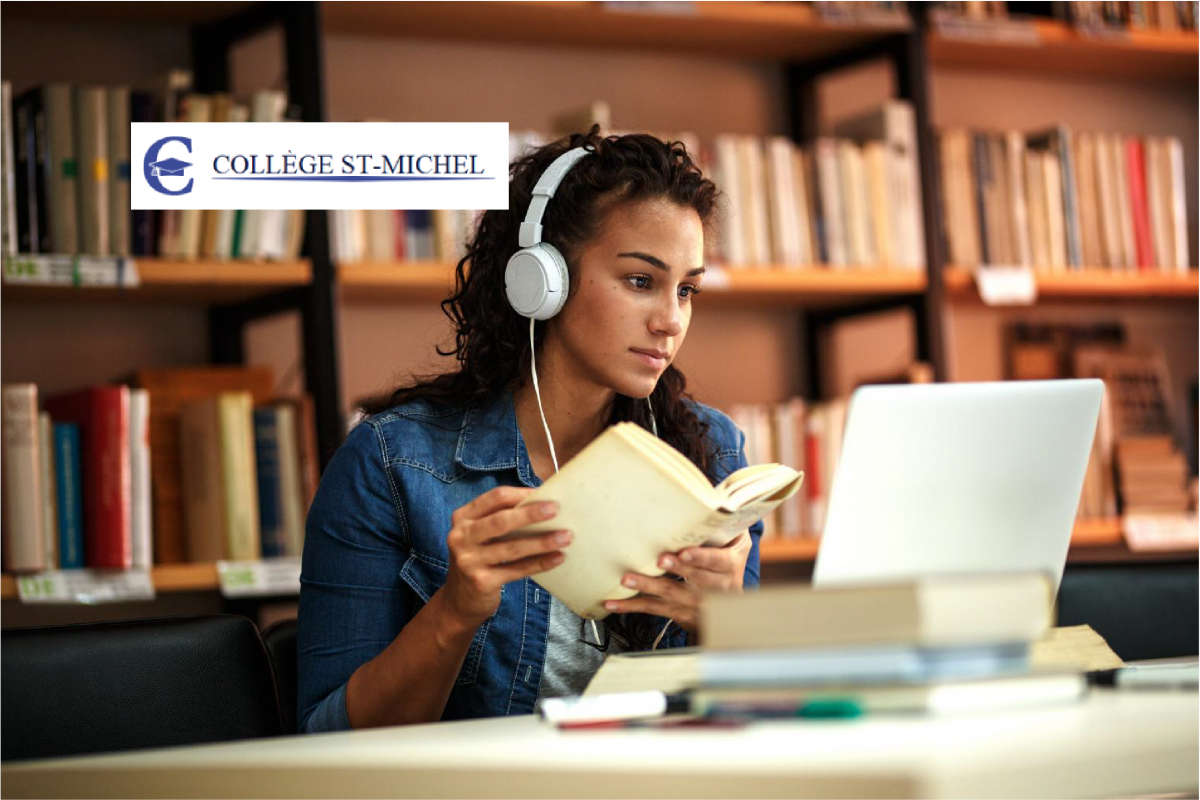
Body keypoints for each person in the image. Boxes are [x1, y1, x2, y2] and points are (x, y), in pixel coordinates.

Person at [297, 127, 763, 732]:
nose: (671, 320)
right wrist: (456, 610)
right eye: (640, 281)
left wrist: (728, 624)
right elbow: (328, 737)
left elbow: (746, 722)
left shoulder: (711, 452)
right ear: (544, 280)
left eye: (687, 289)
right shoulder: (390, 463)